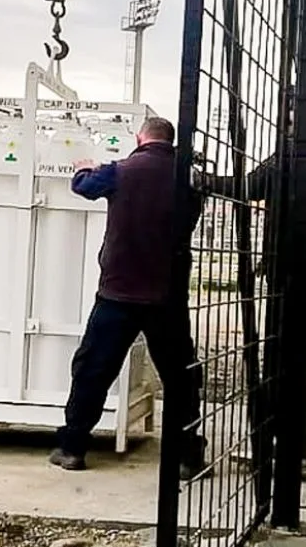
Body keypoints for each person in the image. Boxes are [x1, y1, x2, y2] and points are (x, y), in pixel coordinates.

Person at [49, 116, 208, 479]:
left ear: (140, 137)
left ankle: (73, 447)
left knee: (93, 370)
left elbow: (84, 187)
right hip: (167, 295)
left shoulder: (121, 170)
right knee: (180, 374)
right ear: (170, 141)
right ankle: (186, 455)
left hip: (118, 291)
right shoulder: (188, 178)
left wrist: (84, 168)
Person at [195, 93, 306, 449]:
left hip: (300, 272)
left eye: (290, 110)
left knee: (293, 351)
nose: (285, 117)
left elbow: (252, 186)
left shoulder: (298, 151)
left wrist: (203, 180)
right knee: (298, 350)